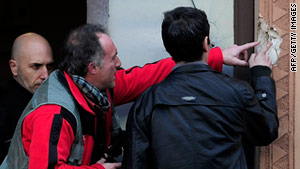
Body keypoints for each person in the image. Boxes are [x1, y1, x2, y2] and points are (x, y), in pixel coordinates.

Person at [0, 22, 260, 168]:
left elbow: (149, 76)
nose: (120, 63)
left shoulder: (97, 87)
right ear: (93, 68)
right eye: (113, 59)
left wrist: (213, 56)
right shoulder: (53, 113)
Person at [121, 7, 278, 169]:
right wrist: (261, 75)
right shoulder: (238, 91)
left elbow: (134, 163)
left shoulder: (147, 102)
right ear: (205, 42)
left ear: (168, 48)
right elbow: (266, 132)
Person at [0, 33, 54, 163]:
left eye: (49, 66)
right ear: (14, 68)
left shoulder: (48, 101)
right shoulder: (5, 112)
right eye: (36, 66)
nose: (45, 75)